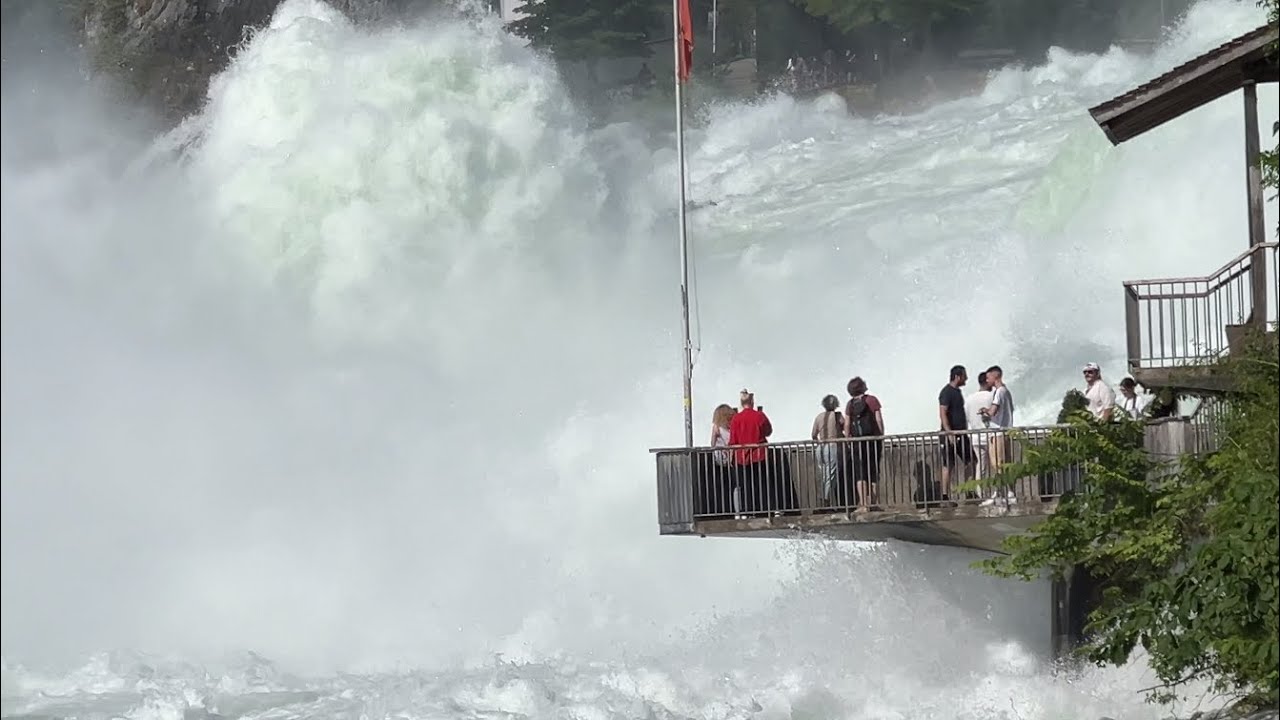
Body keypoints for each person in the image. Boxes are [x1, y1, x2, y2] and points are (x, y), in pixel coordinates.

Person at [729, 389, 774, 514]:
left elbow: (733, 440)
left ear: (741, 403)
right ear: (752, 402)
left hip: (741, 456)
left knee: (745, 486)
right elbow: (768, 431)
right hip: (759, 455)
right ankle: (764, 509)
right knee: (762, 483)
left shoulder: (736, 419)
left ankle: (747, 511)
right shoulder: (759, 416)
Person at [845, 376, 884, 511]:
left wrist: (848, 438)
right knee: (873, 472)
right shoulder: (872, 400)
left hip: (857, 443)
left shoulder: (850, 404)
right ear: (862, 387)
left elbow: (847, 424)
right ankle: (873, 503)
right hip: (872, 441)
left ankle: (863, 504)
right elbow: (878, 419)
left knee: (860, 474)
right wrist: (881, 435)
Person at [981, 365, 1016, 506]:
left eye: (988, 377)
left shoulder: (998, 392)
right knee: (1006, 464)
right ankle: (1009, 492)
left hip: (998, 433)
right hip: (1006, 431)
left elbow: (993, 411)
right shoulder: (1006, 392)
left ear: (995, 377)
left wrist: (985, 411)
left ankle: (1000, 493)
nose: (987, 380)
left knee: (998, 465)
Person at [936, 365, 970, 507]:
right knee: (948, 465)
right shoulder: (946, 392)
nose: (966, 378)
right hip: (950, 435)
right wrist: (949, 432)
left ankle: (969, 490)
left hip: (961, 434)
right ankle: (944, 496)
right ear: (957, 376)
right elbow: (943, 412)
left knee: (971, 461)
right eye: (964, 375)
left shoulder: (957, 392)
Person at [810, 394, 845, 507]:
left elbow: (813, 435)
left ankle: (823, 499)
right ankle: (826, 501)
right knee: (831, 475)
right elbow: (846, 427)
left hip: (820, 448)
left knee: (824, 474)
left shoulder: (819, 417)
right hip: (832, 446)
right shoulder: (837, 416)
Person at [965, 371, 994, 483]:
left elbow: (966, 418)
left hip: (975, 437)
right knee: (998, 465)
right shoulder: (992, 396)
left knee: (980, 467)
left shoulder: (969, 399)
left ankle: (980, 493)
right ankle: (1001, 492)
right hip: (991, 436)